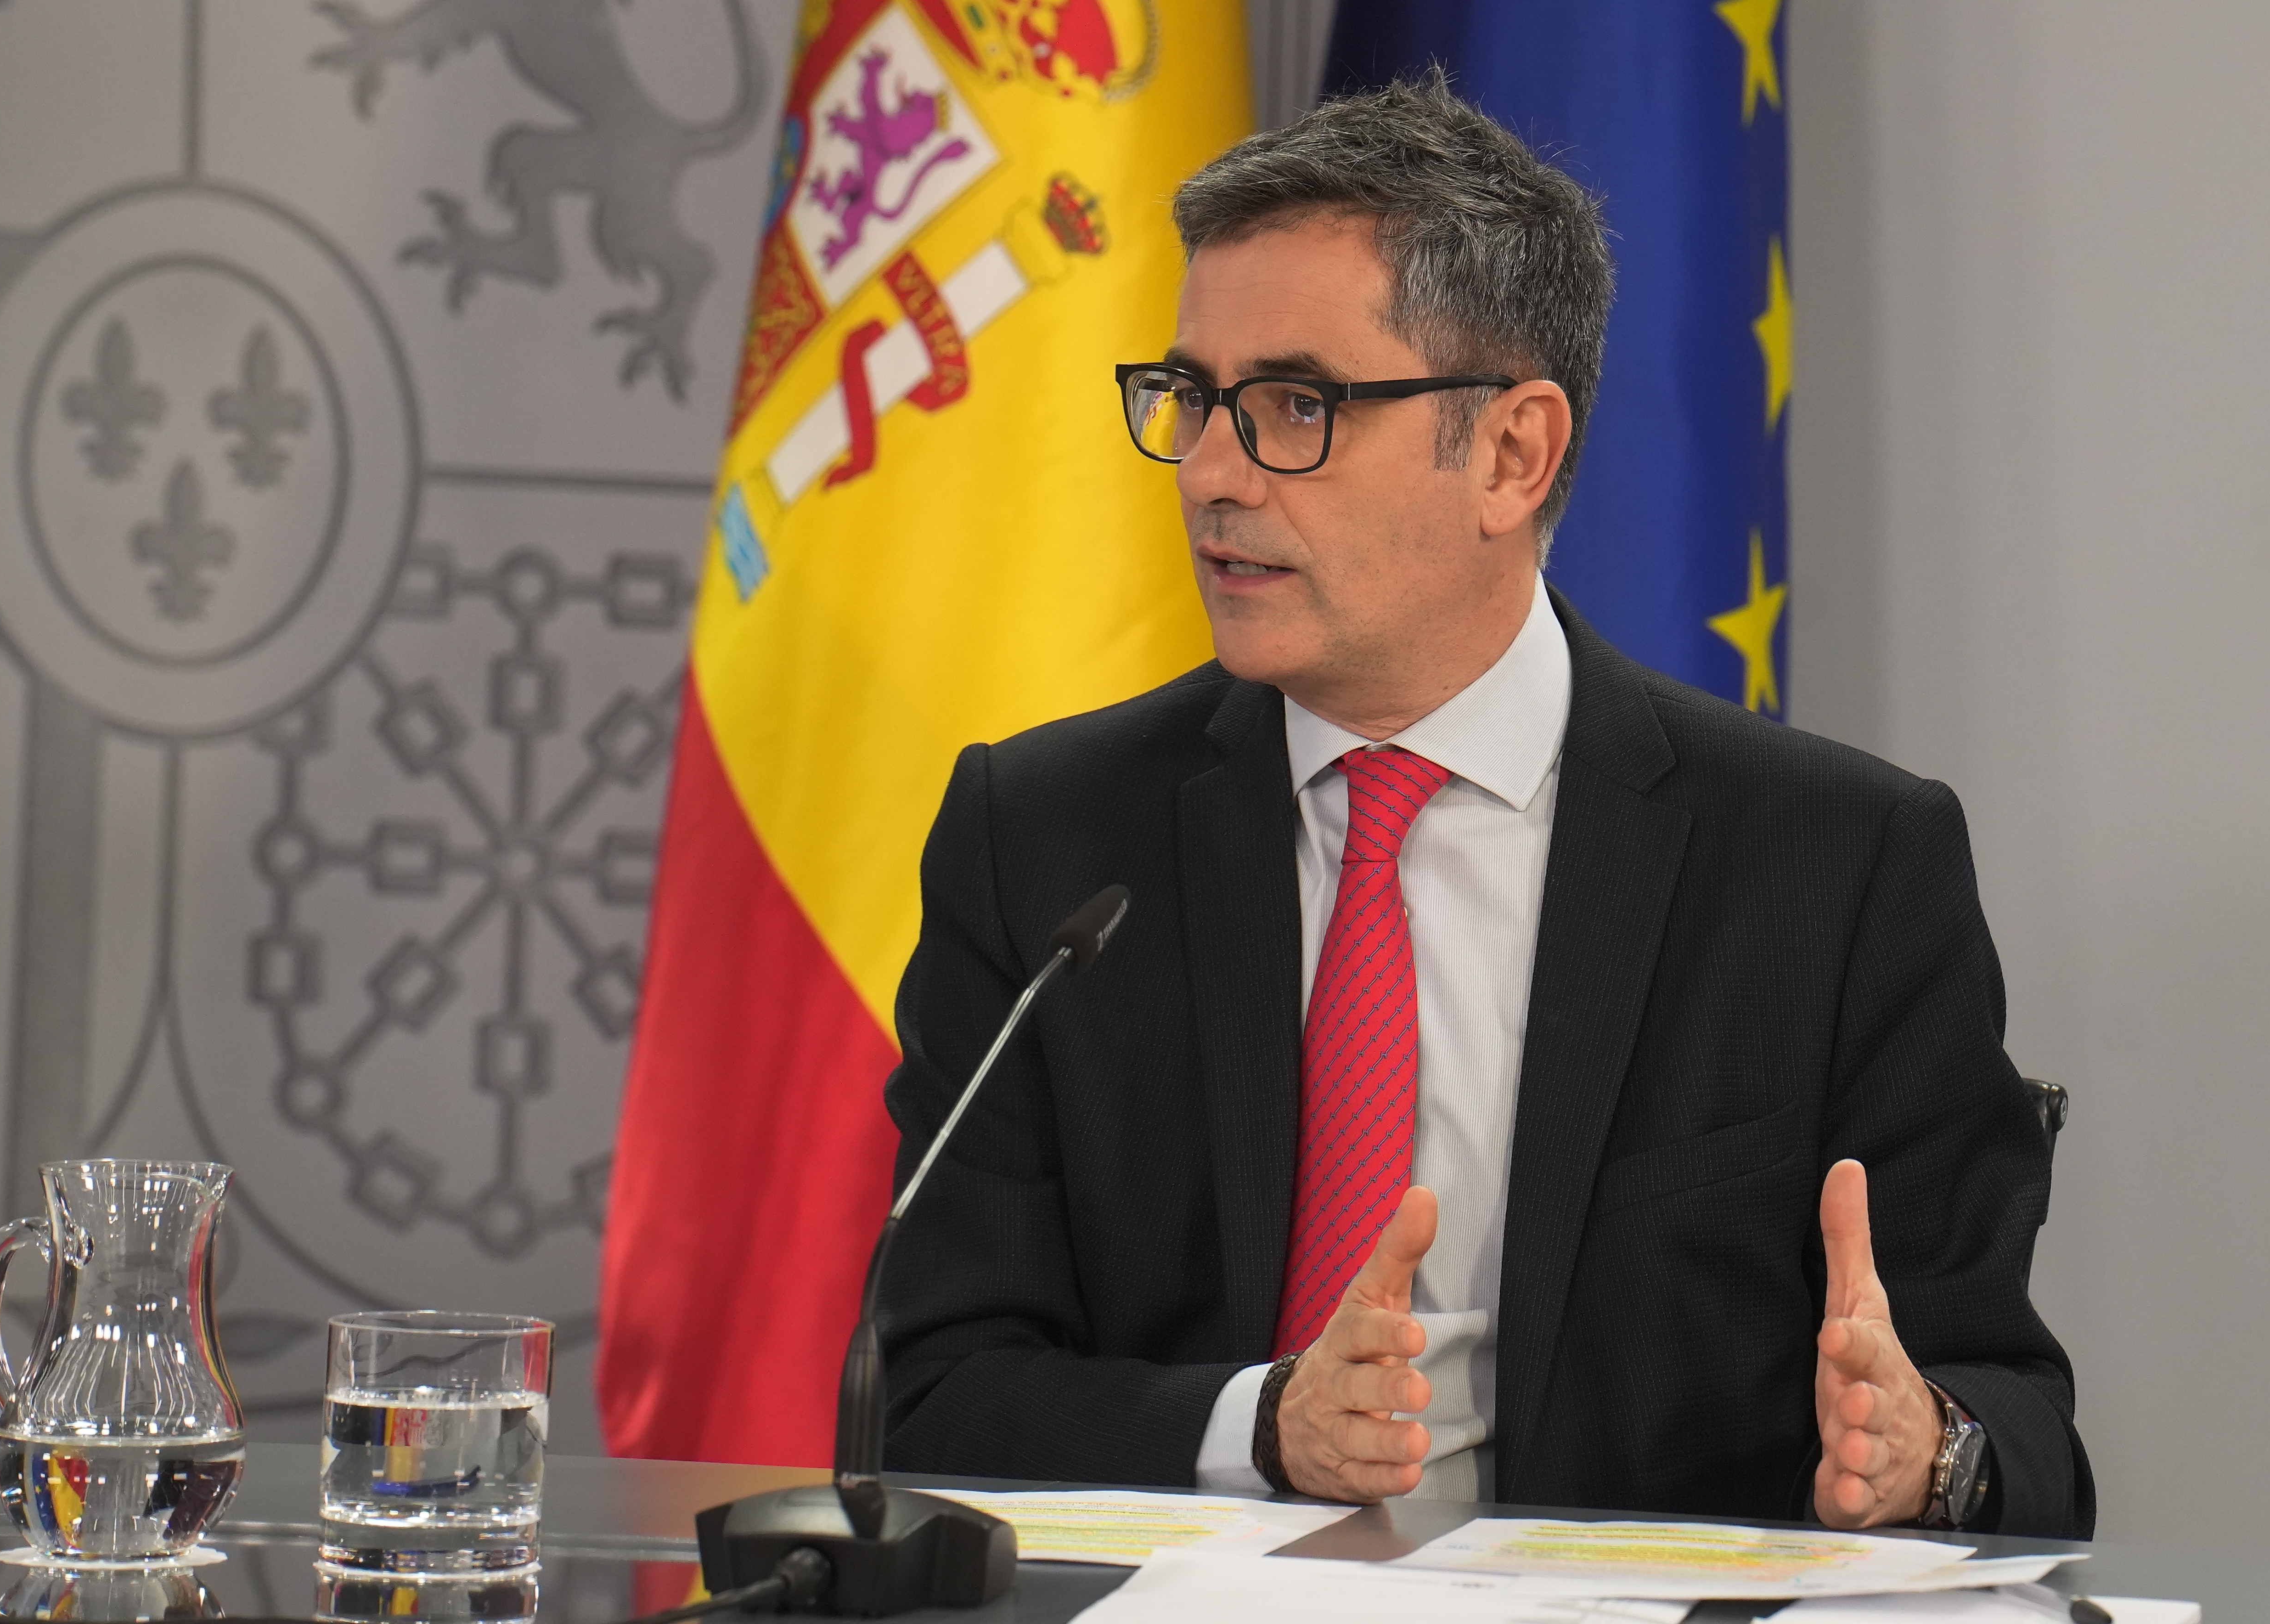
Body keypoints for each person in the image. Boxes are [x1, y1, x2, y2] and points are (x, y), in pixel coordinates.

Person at [874, 76, 2091, 1537]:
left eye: (1293, 407)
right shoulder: (1048, 842)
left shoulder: (1831, 869)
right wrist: (1257, 1428)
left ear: (1513, 452)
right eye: (1192, 399)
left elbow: (2014, 1415)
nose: (1208, 474)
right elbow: (934, 1389)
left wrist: (1927, 1451)